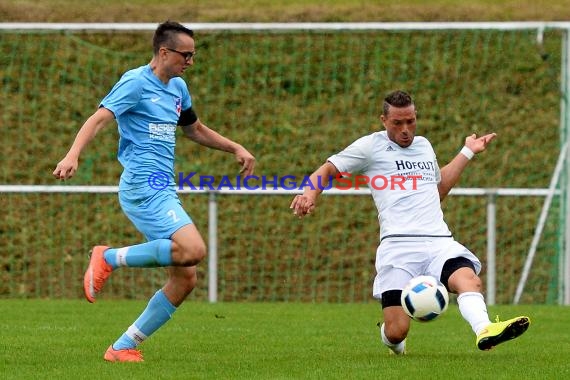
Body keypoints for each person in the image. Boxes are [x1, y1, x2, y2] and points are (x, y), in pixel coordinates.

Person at [53, 21, 255, 362]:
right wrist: (72, 154)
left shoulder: (178, 87)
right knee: (193, 249)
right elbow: (99, 119)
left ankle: (122, 346)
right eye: (185, 55)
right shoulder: (134, 83)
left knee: (185, 278)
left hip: (162, 186)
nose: (190, 61)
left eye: (193, 55)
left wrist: (234, 147)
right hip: (142, 185)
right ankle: (108, 257)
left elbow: (194, 129)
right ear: (164, 52)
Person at [289, 90, 529, 354]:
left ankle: (485, 330)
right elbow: (329, 169)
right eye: (398, 123)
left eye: (411, 121)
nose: (406, 129)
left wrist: (467, 152)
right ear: (384, 120)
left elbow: (437, 190)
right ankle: (392, 340)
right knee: (396, 331)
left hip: (438, 241)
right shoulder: (370, 147)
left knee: (468, 279)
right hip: (398, 246)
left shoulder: (424, 146)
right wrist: (310, 193)